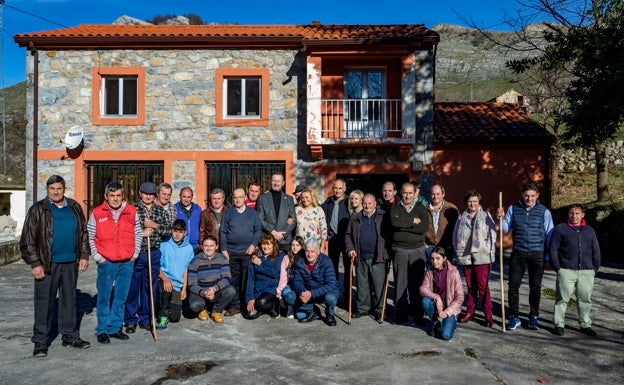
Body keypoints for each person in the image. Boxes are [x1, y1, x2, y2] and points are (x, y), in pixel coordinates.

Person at [20, 175, 91, 357]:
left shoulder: (74, 207)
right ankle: (41, 342)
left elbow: (83, 232)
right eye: (52, 189)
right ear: (47, 190)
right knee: (44, 303)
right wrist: (35, 263)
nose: (56, 192)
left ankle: (69, 336)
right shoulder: (37, 209)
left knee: (69, 301)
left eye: (59, 188)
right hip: (46, 264)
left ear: (64, 189)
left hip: (70, 263)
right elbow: (27, 239)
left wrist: (83, 254)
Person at [88, 181, 142, 344]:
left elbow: (138, 233)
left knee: (121, 297)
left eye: (118, 195)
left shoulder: (132, 212)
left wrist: (134, 255)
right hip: (107, 263)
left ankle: (115, 328)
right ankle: (102, 329)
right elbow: (90, 237)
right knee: (104, 297)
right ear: (106, 197)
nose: (115, 199)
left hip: (127, 262)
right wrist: (99, 258)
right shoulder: (97, 213)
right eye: (112, 196)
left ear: (122, 196)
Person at [497, 182, 554, 331]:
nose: (529, 198)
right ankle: (514, 316)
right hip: (519, 252)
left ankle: (534, 316)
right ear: (522, 195)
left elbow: (550, 235)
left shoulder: (544, 212)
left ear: (537, 196)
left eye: (532, 196)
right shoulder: (513, 208)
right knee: (513, 285)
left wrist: (548, 257)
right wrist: (501, 218)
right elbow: (504, 229)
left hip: (538, 253)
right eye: (527, 195)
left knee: (535, 286)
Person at [124, 182, 172, 333]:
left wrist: (154, 225)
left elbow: (168, 230)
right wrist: (141, 232)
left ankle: (146, 318)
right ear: (140, 193)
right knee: (133, 286)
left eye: (151, 194)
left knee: (149, 287)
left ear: (155, 195)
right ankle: (131, 319)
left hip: (154, 252)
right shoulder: (132, 209)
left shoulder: (160, 210)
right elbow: (125, 231)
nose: (148, 196)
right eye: (146, 193)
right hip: (137, 252)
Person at [550, 204, 601, 337]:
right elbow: (553, 249)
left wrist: (594, 268)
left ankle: (585, 324)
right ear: (568, 214)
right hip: (566, 270)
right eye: (572, 213)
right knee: (562, 299)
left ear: (582, 215)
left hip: (586, 271)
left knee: (585, 299)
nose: (574, 216)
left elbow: (596, 250)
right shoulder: (561, 229)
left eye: (577, 213)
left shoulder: (589, 231)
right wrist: (558, 268)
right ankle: (559, 324)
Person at [453, 190, 497, 327]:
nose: (472, 204)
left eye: (475, 201)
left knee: (482, 287)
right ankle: (470, 312)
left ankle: (488, 315)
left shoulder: (485, 215)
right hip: (466, 256)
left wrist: (486, 248)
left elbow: (493, 233)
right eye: (470, 201)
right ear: (466, 203)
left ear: (479, 203)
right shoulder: (461, 218)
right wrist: (458, 249)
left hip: (482, 256)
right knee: (471, 287)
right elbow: (455, 236)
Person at [389, 181, 430, 325]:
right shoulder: (395, 208)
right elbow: (394, 223)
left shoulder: (421, 208)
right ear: (401, 193)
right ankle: (400, 315)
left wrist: (404, 225)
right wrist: (413, 221)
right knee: (400, 284)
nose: (407, 196)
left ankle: (418, 315)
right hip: (399, 250)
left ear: (415, 194)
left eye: (410, 193)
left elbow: (423, 227)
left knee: (416, 284)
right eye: (405, 193)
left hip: (417, 250)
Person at [345, 193, 389, 321]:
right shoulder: (355, 217)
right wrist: (351, 249)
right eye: (364, 203)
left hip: (378, 257)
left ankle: (379, 310)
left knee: (378, 285)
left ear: (375, 203)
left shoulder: (383, 216)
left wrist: (386, 252)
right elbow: (347, 235)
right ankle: (362, 308)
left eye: (370, 203)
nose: (367, 205)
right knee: (362, 285)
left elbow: (389, 236)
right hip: (360, 256)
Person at [220, 188, 262, 317]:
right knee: (233, 280)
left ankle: (246, 305)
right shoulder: (228, 213)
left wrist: (253, 244)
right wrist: (224, 249)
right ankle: (234, 306)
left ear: (245, 198)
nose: (237, 200)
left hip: (247, 252)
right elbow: (223, 232)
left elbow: (258, 230)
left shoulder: (252, 213)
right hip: (231, 252)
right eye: (235, 197)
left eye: (240, 197)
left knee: (246, 280)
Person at [289, 239, 340, 326]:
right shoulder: (299, 262)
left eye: (312, 251)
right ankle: (313, 311)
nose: (309, 254)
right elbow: (296, 282)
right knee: (289, 297)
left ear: (318, 252)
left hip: (325, 291)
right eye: (307, 251)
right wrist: (303, 292)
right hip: (308, 290)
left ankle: (329, 314)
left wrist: (311, 294)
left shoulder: (326, 261)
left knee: (330, 298)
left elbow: (331, 284)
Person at [187, 235, 236, 323]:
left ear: (216, 247)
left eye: (211, 246)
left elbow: (227, 278)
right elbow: (191, 284)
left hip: (215, 291)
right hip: (201, 292)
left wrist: (214, 289)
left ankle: (216, 311)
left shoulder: (222, 258)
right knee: (195, 305)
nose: (208, 248)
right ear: (202, 246)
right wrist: (204, 292)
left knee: (231, 291)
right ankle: (202, 310)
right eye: (206, 246)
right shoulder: (195, 261)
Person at [157, 219, 195, 329]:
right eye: (175, 231)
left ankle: (167, 309)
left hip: (178, 285)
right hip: (164, 280)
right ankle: (163, 316)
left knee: (175, 318)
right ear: (171, 231)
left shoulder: (188, 249)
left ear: (185, 233)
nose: (177, 234)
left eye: (180, 232)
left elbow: (186, 269)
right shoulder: (164, 244)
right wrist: (165, 278)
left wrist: (183, 289)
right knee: (165, 290)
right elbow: (157, 265)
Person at [419, 247, 464, 340]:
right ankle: (436, 321)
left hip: (450, 308)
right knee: (425, 301)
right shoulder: (430, 271)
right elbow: (423, 289)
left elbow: (460, 297)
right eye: (432, 259)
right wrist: (437, 297)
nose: (434, 261)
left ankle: (449, 323)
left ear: (445, 258)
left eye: (438, 258)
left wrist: (447, 312)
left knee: (446, 335)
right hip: (437, 306)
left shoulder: (454, 272)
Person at [321, 178, 351, 299]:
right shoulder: (328, 202)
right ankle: (334, 294)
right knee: (332, 268)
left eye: (340, 188)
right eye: (335, 188)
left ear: (344, 189)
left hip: (346, 239)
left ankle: (348, 296)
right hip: (333, 239)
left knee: (348, 268)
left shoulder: (349, 201)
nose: (337, 191)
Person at [245, 234, 285, 319]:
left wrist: (260, 264)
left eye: (268, 244)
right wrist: (250, 299)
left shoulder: (279, 256)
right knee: (249, 315)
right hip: (258, 291)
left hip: (271, 290)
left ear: (273, 245)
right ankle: (262, 309)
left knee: (262, 302)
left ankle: (273, 305)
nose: (266, 246)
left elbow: (275, 273)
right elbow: (250, 280)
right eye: (264, 244)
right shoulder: (255, 258)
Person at [256, 173, 297, 253]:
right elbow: (259, 218)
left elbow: (293, 220)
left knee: (284, 265)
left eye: (278, 181)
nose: (276, 183)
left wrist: (282, 235)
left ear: (283, 183)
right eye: (274, 181)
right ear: (271, 182)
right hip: (267, 240)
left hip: (284, 240)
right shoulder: (262, 198)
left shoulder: (289, 199)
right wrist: (273, 232)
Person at [426, 184, 459, 257]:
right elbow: (420, 228)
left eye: (438, 194)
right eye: (433, 194)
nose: (435, 197)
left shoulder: (451, 209)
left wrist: (451, 244)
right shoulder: (424, 209)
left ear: (443, 194)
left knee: (447, 268)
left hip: (446, 248)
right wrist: (424, 245)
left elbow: (456, 228)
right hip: (429, 248)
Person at [277, 236, 305, 318]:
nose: (295, 247)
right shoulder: (286, 258)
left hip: (301, 286)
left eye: (297, 245)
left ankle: (300, 306)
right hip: (290, 284)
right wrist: (279, 295)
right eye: (293, 245)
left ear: (302, 246)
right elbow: (283, 277)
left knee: (301, 316)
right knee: (286, 292)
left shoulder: (304, 258)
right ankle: (290, 307)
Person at [295, 188, 328, 254]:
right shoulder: (297, 209)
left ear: (312, 197)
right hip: (300, 244)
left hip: (315, 245)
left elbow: (324, 228)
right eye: (303, 198)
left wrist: (322, 246)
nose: (305, 199)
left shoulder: (319, 210)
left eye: (307, 197)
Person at [174, 186, 203, 251]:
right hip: (180, 245)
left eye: (189, 197)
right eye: (184, 197)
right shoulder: (174, 209)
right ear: (180, 196)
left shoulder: (198, 209)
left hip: (196, 247)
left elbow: (202, 226)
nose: (186, 199)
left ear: (192, 197)